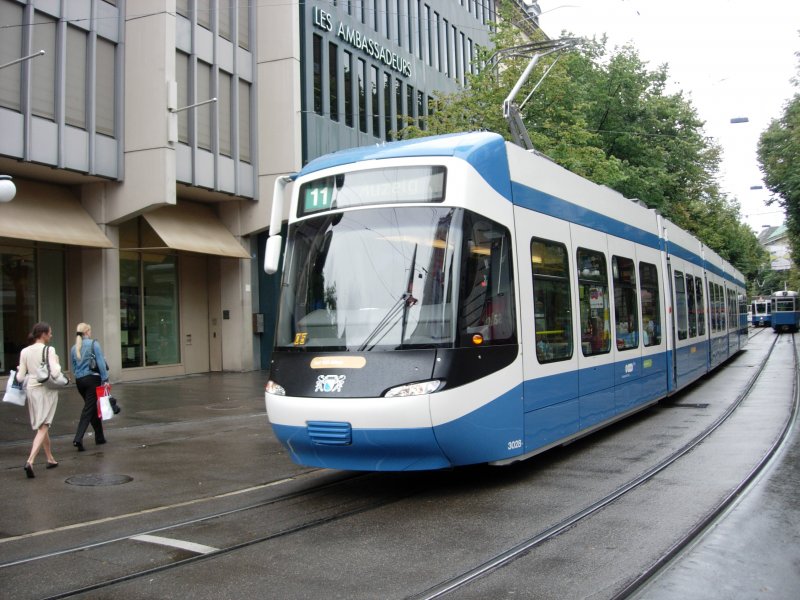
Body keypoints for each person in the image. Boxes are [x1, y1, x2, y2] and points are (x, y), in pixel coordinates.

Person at [15, 322, 62, 478]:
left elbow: (20, 377)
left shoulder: (25, 351)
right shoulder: (50, 350)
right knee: (44, 425)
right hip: (46, 390)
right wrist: (56, 361)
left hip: (31, 390)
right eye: (50, 333)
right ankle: (30, 461)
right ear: (43, 334)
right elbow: (55, 372)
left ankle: (50, 458)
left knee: (41, 426)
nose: (51, 335)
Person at [70, 322, 109, 451]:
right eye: (90, 331)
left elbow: (74, 367)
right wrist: (105, 379)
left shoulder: (73, 348)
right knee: (88, 409)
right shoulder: (94, 344)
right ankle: (78, 438)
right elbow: (101, 363)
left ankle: (99, 437)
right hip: (93, 379)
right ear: (87, 332)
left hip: (80, 381)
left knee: (91, 407)